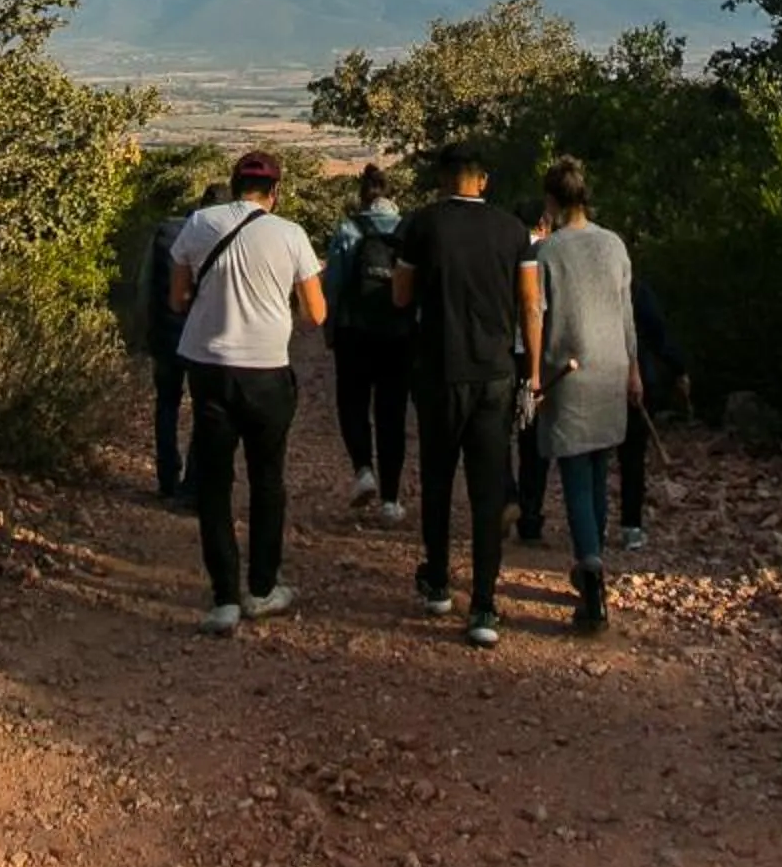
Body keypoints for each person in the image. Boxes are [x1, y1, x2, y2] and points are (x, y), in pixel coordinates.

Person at [170, 151, 325, 635]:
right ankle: (261, 588)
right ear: (274, 193)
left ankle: (224, 599)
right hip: (266, 370)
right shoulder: (290, 234)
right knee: (267, 479)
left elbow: (176, 298)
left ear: (234, 184)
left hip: (211, 367)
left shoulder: (199, 223)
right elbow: (316, 314)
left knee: (215, 483)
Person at [392, 141, 540, 648]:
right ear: (484, 180)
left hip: (438, 371)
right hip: (494, 373)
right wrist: (533, 372)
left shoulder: (420, 226)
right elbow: (530, 305)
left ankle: (436, 582)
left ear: (442, 180)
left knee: (436, 479)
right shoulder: (513, 230)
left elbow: (400, 295)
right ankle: (483, 605)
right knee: (487, 491)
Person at [532, 157, 638, 634]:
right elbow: (626, 313)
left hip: (569, 370)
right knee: (597, 469)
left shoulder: (550, 252)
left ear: (551, 201)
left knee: (575, 469)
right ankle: (593, 560)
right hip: (613, 365)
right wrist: (634, 369)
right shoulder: (613, 244)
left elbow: (537, 315)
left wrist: (534, 375)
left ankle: (591, 571)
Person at [321, 163, 413, 521]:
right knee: (392, 412)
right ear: (391, 194)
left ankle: (363, 470)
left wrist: (331, 330)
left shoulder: (348, 229)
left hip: (354, 333)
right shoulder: (407, 231)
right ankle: (391, 500)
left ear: (362, 194)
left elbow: (335, 287)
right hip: (398, 336)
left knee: (353, 403)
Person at [143, 179, 223, 504]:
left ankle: (166, 477)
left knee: (166, 405)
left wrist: (143, 330)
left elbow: (145, 284)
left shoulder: (166, 231)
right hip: (203, 339)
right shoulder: (223, 239)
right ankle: (192, 483)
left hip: (165, 334)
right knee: (206, 410)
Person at [619, 274, 688, 549]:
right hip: (637, 383)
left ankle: (594, 525)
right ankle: (631, 526)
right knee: (633, 457)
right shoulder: (637, 290)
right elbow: (660, 332)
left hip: (599, 379)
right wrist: (679, 368)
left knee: (595, 457)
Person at [512, 199, 551, 544]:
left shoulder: (504, 251)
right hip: (537, 352)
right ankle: (531, 513)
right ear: (544, 222)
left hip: (503, 351)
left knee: (496, 430)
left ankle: (506, 496)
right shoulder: (548, 254)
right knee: (534, 439)